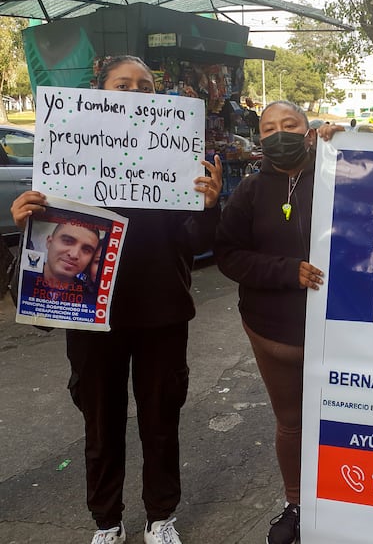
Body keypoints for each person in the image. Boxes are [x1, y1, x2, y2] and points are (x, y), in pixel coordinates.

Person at [11, 55, 223, 544]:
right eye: (122, 84)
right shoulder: (66, 163)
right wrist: (30, 224)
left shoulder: (175, 163)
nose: (134, 93)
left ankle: (160, 516)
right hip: (91, 316)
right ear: (99, 91)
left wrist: (208, 207)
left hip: (162, 312)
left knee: (160, 420)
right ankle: (107, 521)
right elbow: (46, 249)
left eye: (145, 87)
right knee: (101, 424)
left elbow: (192, 240)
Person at [214, 100, 324, 544]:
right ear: (259, 138)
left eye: (290, 124)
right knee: (291, 422)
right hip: (272, 331)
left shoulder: (342, 174)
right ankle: (296, 504)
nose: (280, 133)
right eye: (269, 127)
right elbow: (228, 255)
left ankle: (345, 502)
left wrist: (352, 144)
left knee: (344, 418)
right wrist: (287, 270)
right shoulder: (251, 191)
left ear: (309, 130)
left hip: (340, 331)